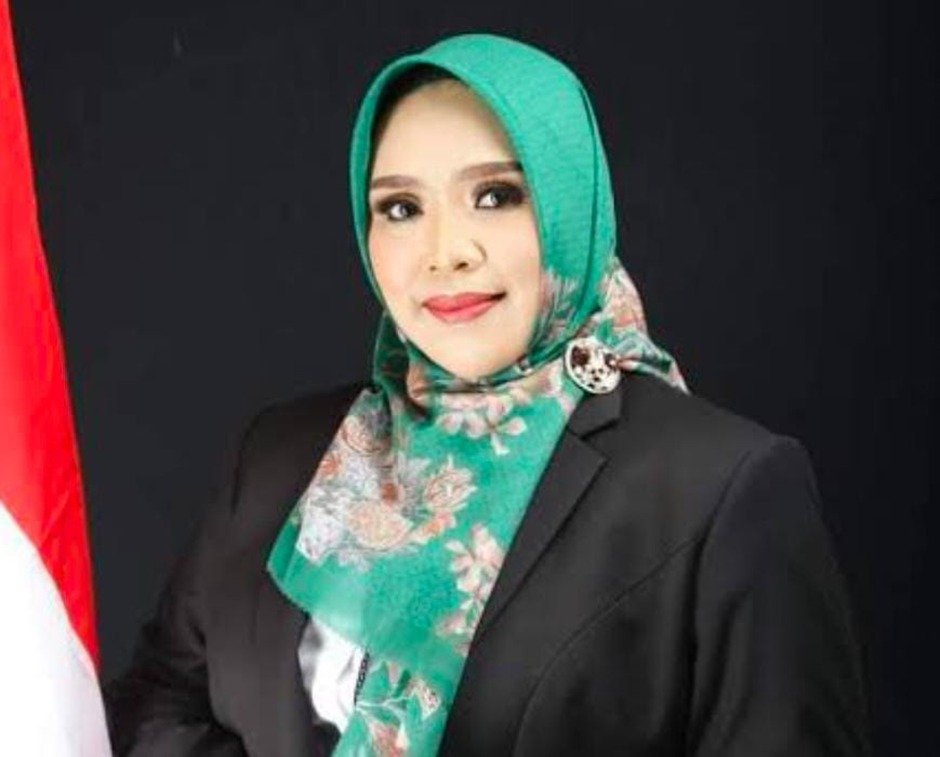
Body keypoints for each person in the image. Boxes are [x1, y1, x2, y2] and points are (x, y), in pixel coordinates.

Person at [105, 33, 871, 756]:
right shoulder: (279, 454)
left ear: (571, 206)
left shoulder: (720, 488)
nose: (446, 252)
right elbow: (159, 699)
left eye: (497, 195)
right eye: (401, 208)